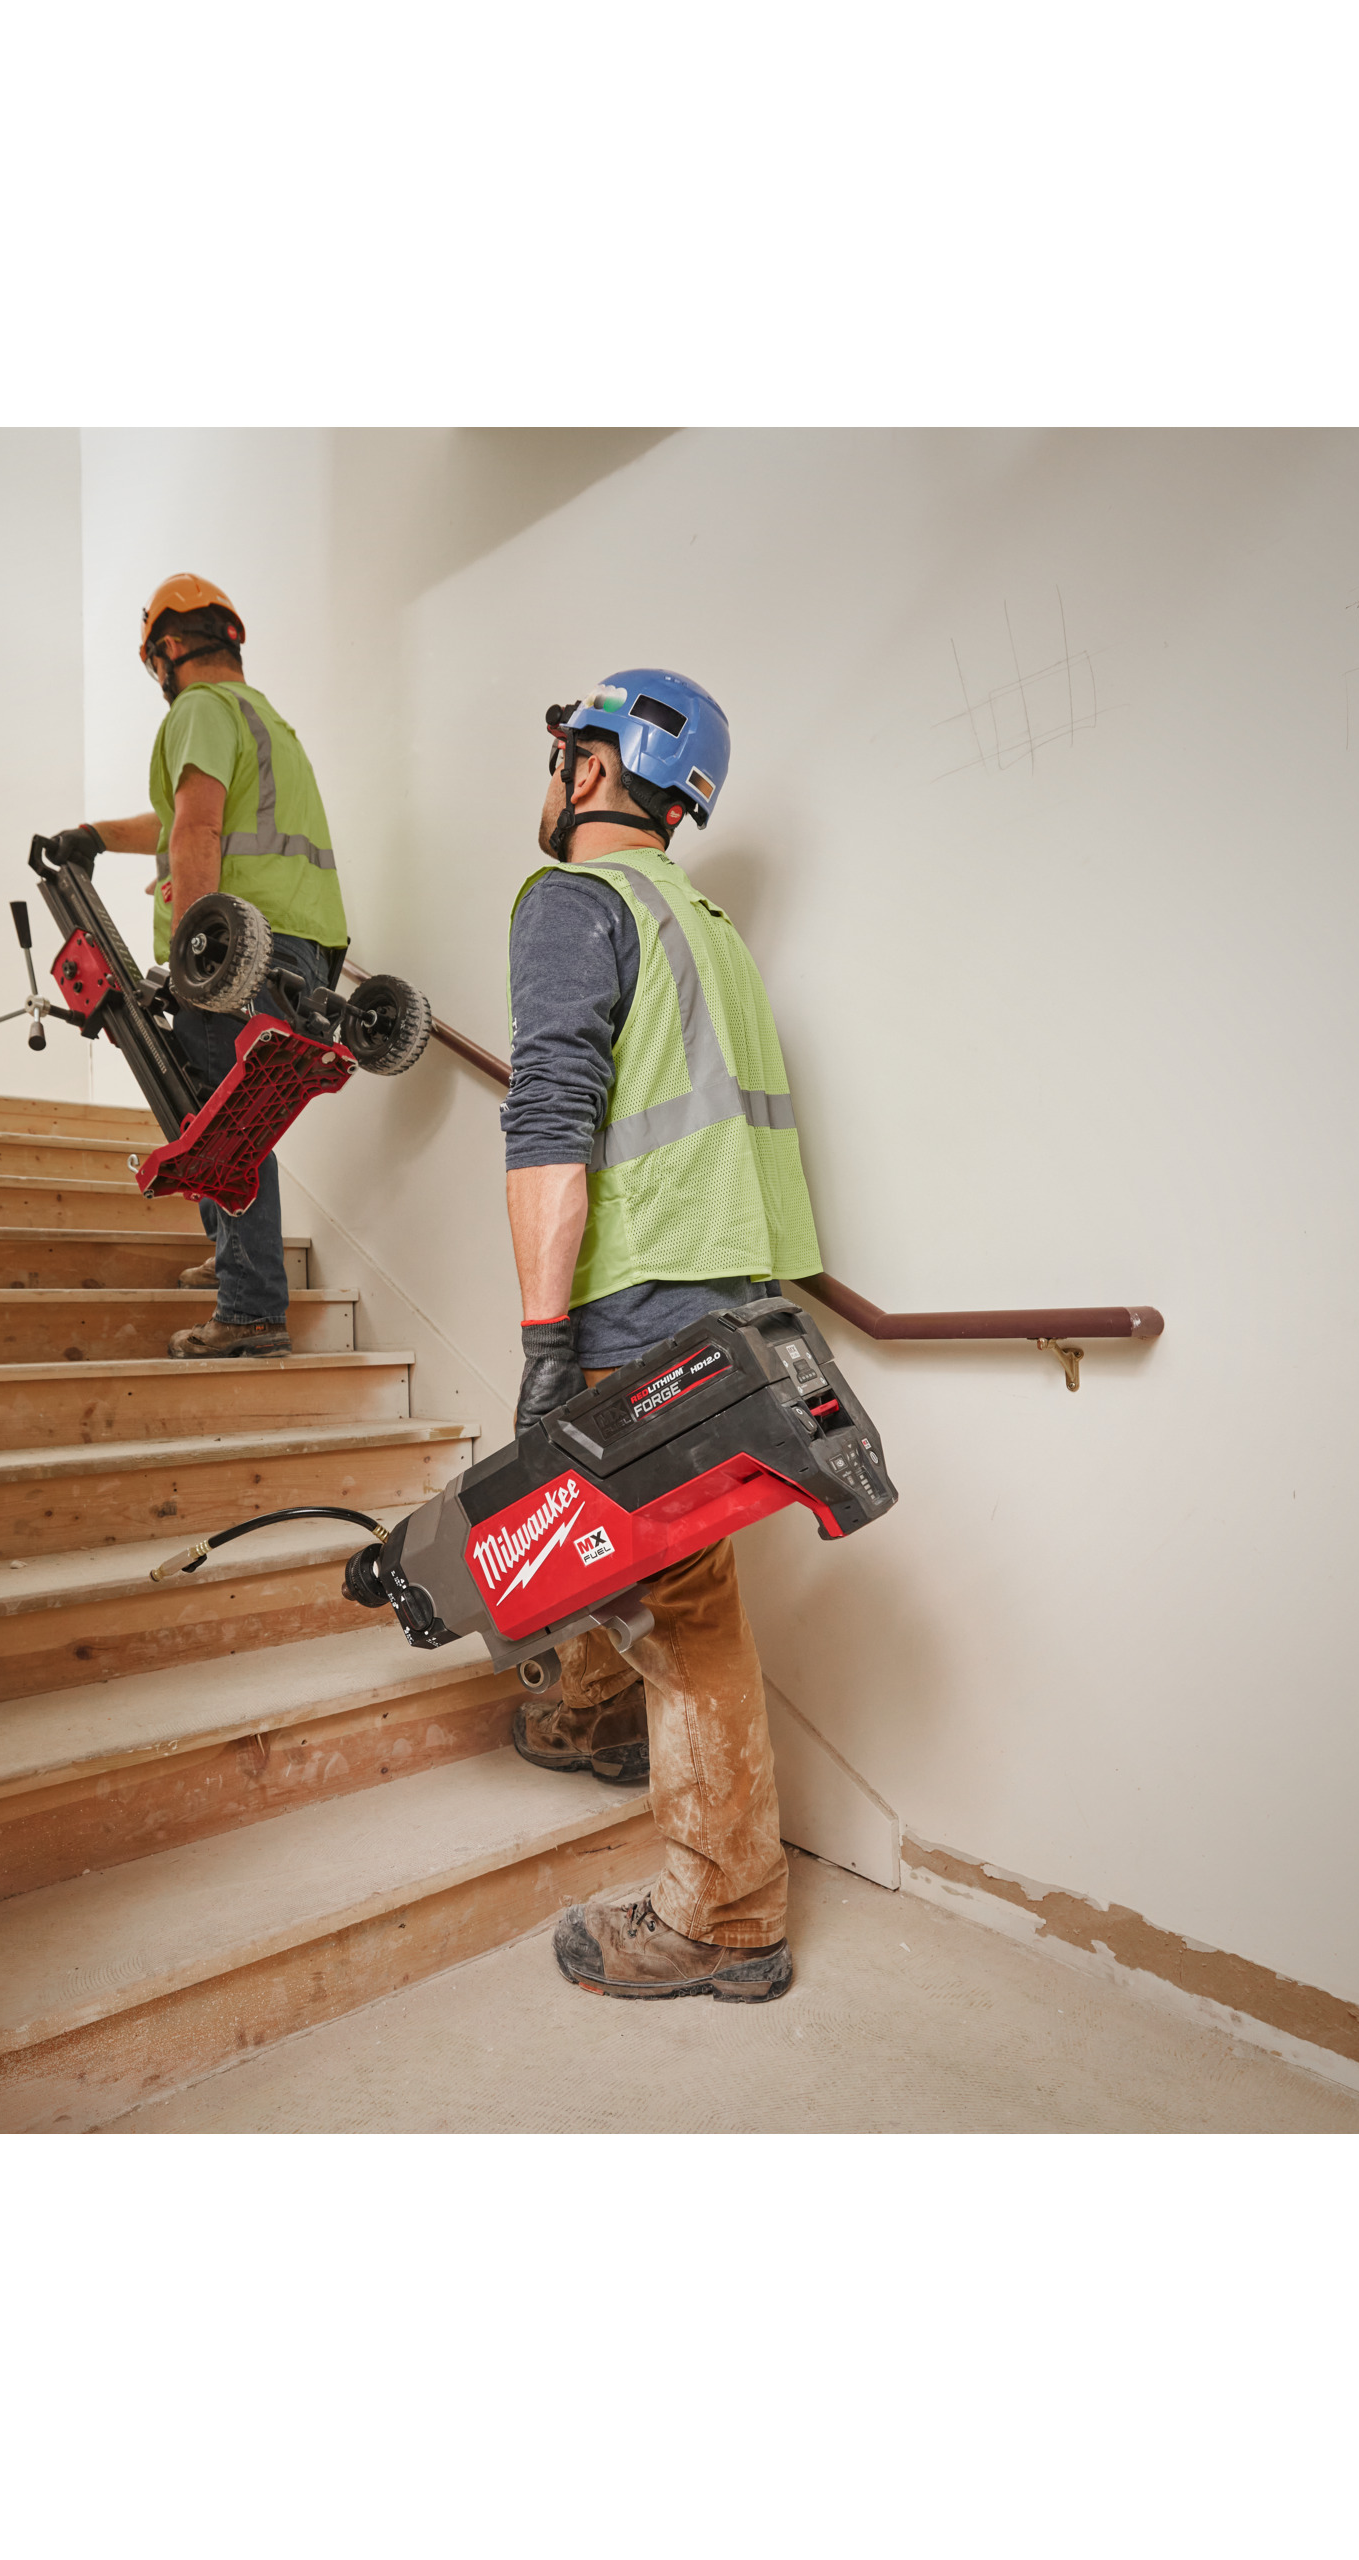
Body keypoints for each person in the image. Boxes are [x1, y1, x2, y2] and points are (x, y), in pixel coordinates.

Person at [502, 669, 823, 2002]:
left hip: (640, 1290)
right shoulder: (707, 926)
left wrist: (543, 1338)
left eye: (563, 752)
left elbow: (550, 1118)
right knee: (608, 1535)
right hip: (733, 1283)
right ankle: (592, 1711)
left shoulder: (573, 902)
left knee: (682, 1596)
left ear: (593, 768)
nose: (553, 774)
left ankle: (724, 1915)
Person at [70, 576, 350, 1358]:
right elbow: (177, 819)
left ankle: (252, 1309)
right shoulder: (261, 718)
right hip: (304, 946)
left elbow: (197, 829)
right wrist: (97, 835)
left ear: (165, 650)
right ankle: (235, 1258)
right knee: (217, 1109)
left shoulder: (197, 710)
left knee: (225, 1126)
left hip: (242, 950)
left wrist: (199, 950)